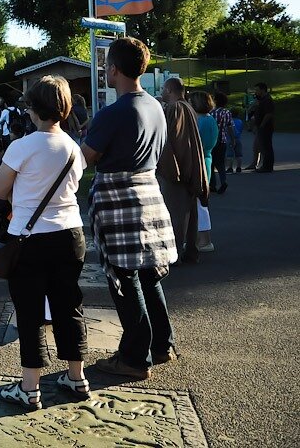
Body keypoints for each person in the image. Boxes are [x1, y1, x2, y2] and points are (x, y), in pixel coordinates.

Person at [82, 37, 178, 381]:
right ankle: (162, 344)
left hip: (119, 201)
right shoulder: (156, 107)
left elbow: (86, 157)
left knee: (124, 278)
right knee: (150, 275)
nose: (106, 71)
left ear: (115, 69)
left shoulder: (114, 112)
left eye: (107, 66)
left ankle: (134, 358)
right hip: (150, 194)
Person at [0, 75, 87, 410]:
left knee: (30, 312)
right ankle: (77, 377)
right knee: (68, 305)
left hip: (29, 239)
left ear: (32, 108)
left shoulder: (22, 146)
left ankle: (30, 389)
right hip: (71, 235)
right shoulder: (74, 147)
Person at [157, 78, 209, 265]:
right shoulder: (188, 108)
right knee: (190, 213)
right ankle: (191, 251)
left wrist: (169, 167)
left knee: (175, 214)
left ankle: (175, 254)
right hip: (190, 167)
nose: (162, 92)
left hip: (177, 169)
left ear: (170, 90)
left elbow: (171, 139)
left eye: (163, 89)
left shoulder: (175, 109)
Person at [189, 92, 218, 254]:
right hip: (204, 161)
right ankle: (201, 239)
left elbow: (198, 144)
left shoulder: (203, 121)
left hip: (201, 163)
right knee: (200, 203)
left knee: (200, 204)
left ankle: (204, 240)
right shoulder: (208, 120)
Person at [209, 92, 233, 193]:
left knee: (211, 163)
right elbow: (230, 126)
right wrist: (233, 139)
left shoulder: (211, 112)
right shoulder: (227, 112)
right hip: (222, 140)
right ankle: (223, 181)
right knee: (221, 163)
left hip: (212, 139)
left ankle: (212, 184)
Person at [251, 82, 275, 173]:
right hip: (261, 126)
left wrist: (262, 125)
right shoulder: (262, 100)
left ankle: (267, 166)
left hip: (266, 126)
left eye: (257, 90)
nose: (256, 92)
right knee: (263, 146)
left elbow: (269, 114)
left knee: (266, 146)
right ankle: (265, 165)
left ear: (262, 90)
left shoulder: (267, 100)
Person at [227, 108, 244, 174]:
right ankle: (238, 167)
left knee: (230, 154)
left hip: (230, 139)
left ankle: (230, 167)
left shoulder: (229, 121)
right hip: (238, 138)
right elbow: (241, 129)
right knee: (239, 154)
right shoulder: (240, 121)